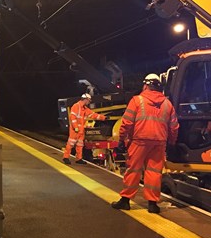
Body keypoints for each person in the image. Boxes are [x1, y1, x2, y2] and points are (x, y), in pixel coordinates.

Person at [111, 73, 179, 214]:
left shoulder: (137, 100)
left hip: (139, 141)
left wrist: (122, 139)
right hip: (159, 142)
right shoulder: (168, 104)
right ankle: (152, 204)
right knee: (154, 172)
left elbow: (127, 122)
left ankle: (125, 200)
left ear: (146, 85)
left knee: (133, 170)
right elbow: (174, 126)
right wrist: (172, 142)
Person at [62, 93, 107, 165]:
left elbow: (93, 115)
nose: (89, 102)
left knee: (80, 144)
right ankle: (65, 157)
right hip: (75, 130)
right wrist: (76, 127)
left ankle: (79, 158)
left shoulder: (84, 109)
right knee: (71, 143)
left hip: (81, 130)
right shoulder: (76, 106)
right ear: (85, 100)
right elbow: (72, 118)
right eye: (89, 101)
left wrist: (104, 118)